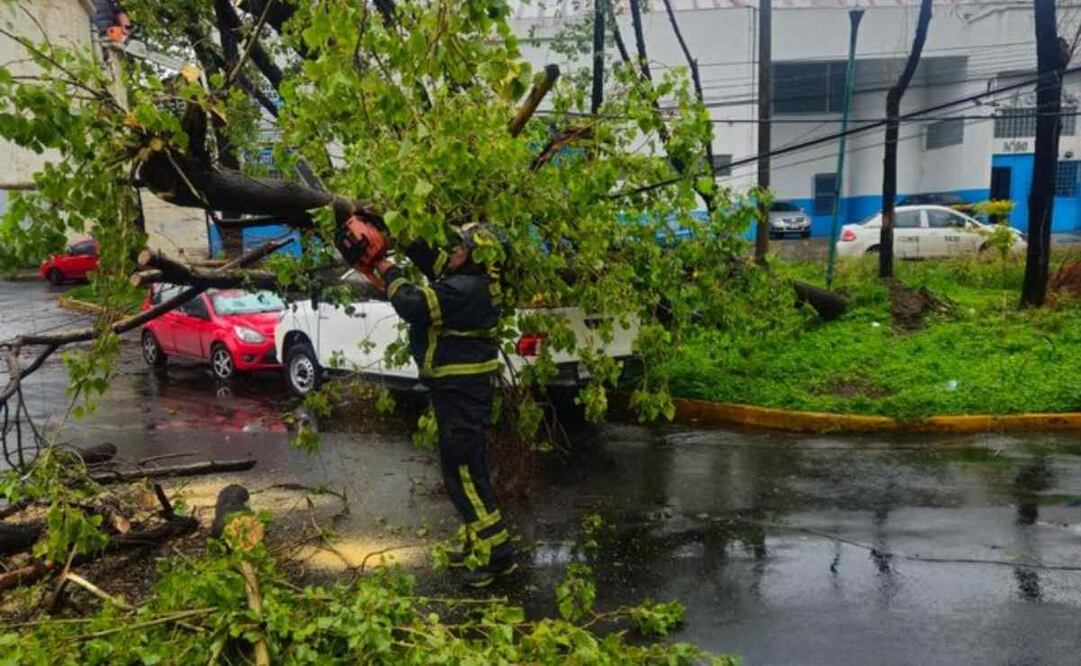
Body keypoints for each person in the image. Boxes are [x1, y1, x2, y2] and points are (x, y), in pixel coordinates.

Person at [370, 223, 516, 588]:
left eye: (460, 248)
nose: (453, 252)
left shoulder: (464, 289)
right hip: (462, 390)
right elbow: (435, 263)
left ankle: (497, 556)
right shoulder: (478, 282)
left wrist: (390, 271)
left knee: (463, 474)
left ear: (475, 256)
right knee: (467, 471)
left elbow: (411, 304)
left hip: (459, 392)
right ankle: (478, 546)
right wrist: (395, 230)